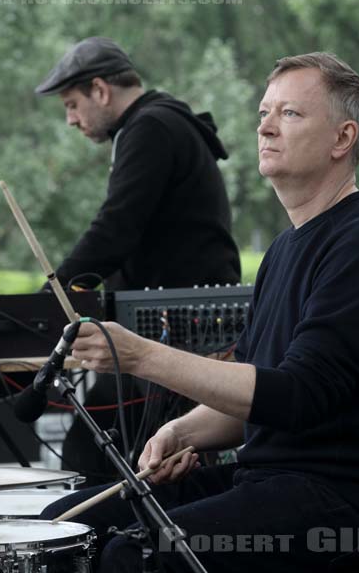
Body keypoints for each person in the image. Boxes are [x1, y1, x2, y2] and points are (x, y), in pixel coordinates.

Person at [42, 52, 359, 572]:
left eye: (290, 114)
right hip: (267, 479)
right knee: (65, 524)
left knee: (134, 557)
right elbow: (247, 395)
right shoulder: (283, 249)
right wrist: (180, 433)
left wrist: (139, 355)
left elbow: (297, 396)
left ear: (342, 139)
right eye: (263, 113)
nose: (265, 127)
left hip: (341, 502)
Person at [35, 37, 241, 483]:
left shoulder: (151, 128)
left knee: (92, 455)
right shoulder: (157, 124)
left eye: (72, 104)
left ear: (100, 90)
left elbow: (115, 229)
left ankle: (121, 550)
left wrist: (46, 300)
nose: (71, 119)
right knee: (96, 450)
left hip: (179, 332)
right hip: (166, 326)